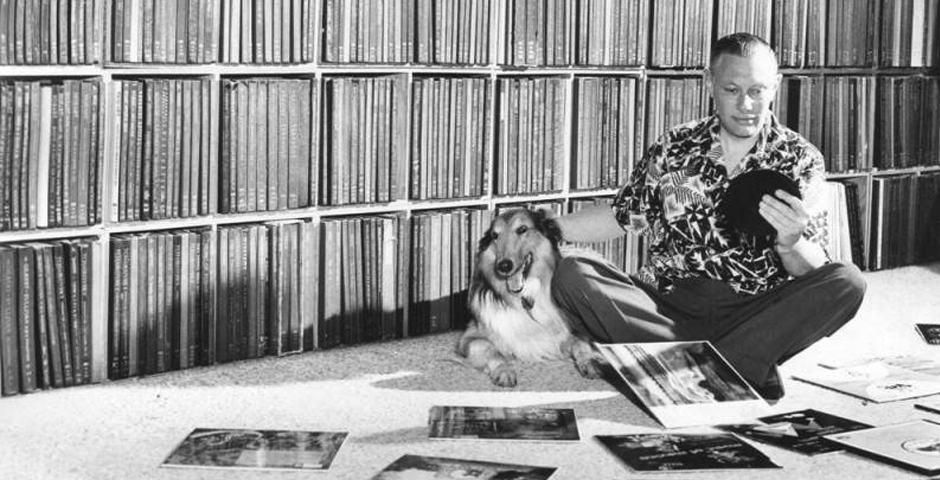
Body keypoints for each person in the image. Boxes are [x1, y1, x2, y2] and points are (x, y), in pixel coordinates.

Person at [551, 32, 866, 400]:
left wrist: (791, 242)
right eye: (732, 89)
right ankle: (733, 368)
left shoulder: (801, 158)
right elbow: (623, 217)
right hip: (667, 307)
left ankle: (697, 365)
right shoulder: (673, 146)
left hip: (755, 312)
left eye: (758, 91)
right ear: (709, 82)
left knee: (848, 282)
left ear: (776, 86)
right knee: (571, 273)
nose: (746, 104)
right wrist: (542, 225)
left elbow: (810, 269)